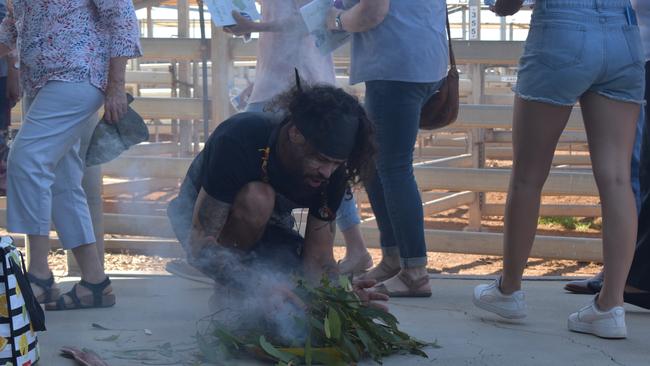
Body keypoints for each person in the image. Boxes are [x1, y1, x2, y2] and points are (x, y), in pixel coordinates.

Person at [473, 0, 644, 339]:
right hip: (623, 30)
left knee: (528, 176)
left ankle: (509, 291)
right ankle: (610, 306)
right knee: (617, 178)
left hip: (561, 25)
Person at [167, 83, 386, 307]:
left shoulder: (333, 173)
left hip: (271, 227)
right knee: (259, 197)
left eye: (335, 164)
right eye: (320, 159)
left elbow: (318, 259)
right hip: (199, 224)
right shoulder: (239, 139)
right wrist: (254, 284)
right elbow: (200, 245)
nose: (327, 172)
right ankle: (228, 296)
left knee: (290, 289)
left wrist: (340, 297)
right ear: (295, 134)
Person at [0, 0, 142, 310]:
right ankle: (94, 283)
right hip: (40, 83)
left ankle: (39, 274)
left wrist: (117, 86)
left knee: (26, 161)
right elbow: (11, 27)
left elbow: (122, 17)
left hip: (78, 74)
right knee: (63, 180)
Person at [222, 1, 373, 275]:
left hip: (296, 80)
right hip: (281, 77)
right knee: (325, 164)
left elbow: (306, 21)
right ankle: (355, 247)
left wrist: (254, 26)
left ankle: (227, 249)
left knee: (315, 162)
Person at [327, 0, 449, 297]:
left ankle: (414, 271)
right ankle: (395, 259)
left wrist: (338, 20)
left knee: (393, 168)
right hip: (423, 61)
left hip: (394, 65)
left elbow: (372, 12)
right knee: (377, 165)